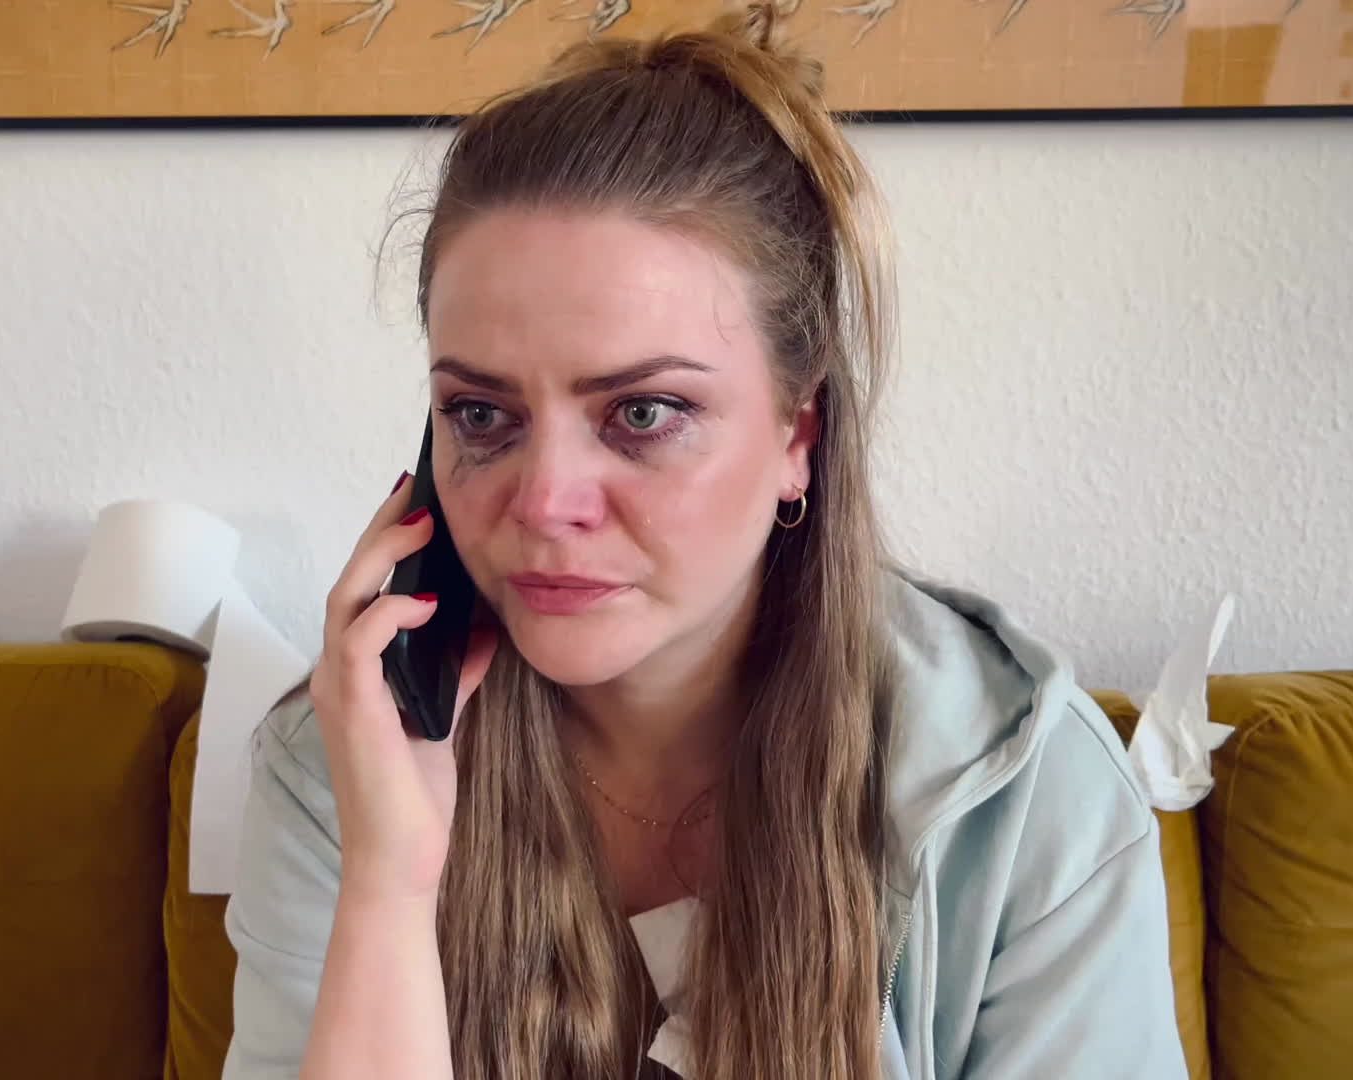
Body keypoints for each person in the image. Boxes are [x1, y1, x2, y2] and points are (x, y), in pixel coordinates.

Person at [222, 6, 1186, 1079]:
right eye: (482, 415)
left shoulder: (1021, 797)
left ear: (798, 438)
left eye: (643, 414)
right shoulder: (345, 768)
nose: (545, 502)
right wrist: (390, 885)